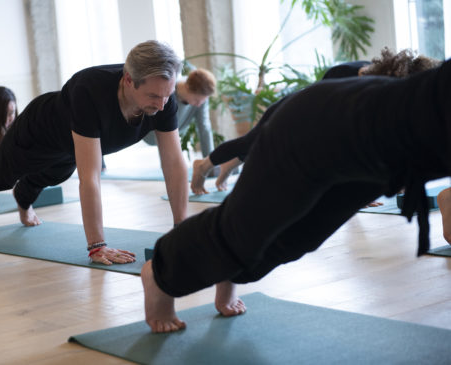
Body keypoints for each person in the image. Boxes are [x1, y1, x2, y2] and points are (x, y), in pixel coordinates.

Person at [141, 56, 451, 334]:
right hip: (316, 123)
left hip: (381, 155)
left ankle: (227, 271)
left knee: (296, 240)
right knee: (245, 231)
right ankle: (160, 274)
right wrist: (215, 166)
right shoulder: (350, 80)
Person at [0, 40, 188, 266]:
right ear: (129, 80)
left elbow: (174, 164)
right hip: (38, 132)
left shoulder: (163, 96)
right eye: (154, 96)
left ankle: (23, 199)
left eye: (167, 95)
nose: (162, 104)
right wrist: (97, 245)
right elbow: (90, 177)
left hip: (68, 147)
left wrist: (180, 228)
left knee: (52, 175)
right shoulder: (91, 90)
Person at [191, 48, 442, 196]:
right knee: (249, 142)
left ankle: (226, 168)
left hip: (308, 113)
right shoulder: (358, 83)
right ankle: (203, 167)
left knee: (250, 144)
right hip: (291, 110)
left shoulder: (370, 84)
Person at [142, 67, 217, 159]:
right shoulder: (167, 91)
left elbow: (204, 128)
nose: (198, 105)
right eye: (196, 100)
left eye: (202, 101)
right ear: (187, 87)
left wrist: (210, 161)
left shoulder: (201, 99)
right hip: (148, 133)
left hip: (172, 135)